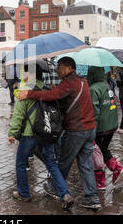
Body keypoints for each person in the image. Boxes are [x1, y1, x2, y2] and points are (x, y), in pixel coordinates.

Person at [18, 57, 101, 210]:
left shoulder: (68, 83)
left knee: (63, 162)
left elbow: (53, 96)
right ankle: (92, 198)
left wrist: (30, 94)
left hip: (76, 130)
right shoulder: (82, 81)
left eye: (60, 67)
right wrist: (53, 89)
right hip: (90, 130)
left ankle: (59, 190)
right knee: (85, 165)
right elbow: (60, 94)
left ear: (69, 67)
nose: (57, 70)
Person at [8, 62, 74, 209]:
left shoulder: (26, 90)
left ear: (30, 74)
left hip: (30, 134)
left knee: (20, 162)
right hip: (47, 132)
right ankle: (65, 194)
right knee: (51, 163)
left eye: (25, 73)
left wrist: (12, 133)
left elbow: (18, 115)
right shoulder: (46, 89)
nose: (23, 76)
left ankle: (24, 193)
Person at [87, 66, 123, 190]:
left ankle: (102, 180)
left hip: (100, 127)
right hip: (111, 125)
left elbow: (94, 111)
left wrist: (92, 129)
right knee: (103, 149)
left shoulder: (93, 89)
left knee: (96, 153)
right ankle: (115, 170)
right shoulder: (106, 85)